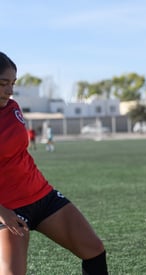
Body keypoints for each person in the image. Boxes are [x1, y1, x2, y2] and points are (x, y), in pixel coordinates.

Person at [0, 52, 108, 274]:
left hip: (42, 196)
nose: (10, 91)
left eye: (13, 83)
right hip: (8, 209)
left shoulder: (13, 107)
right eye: (3, 84)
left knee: (94, 249)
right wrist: (2, 212)